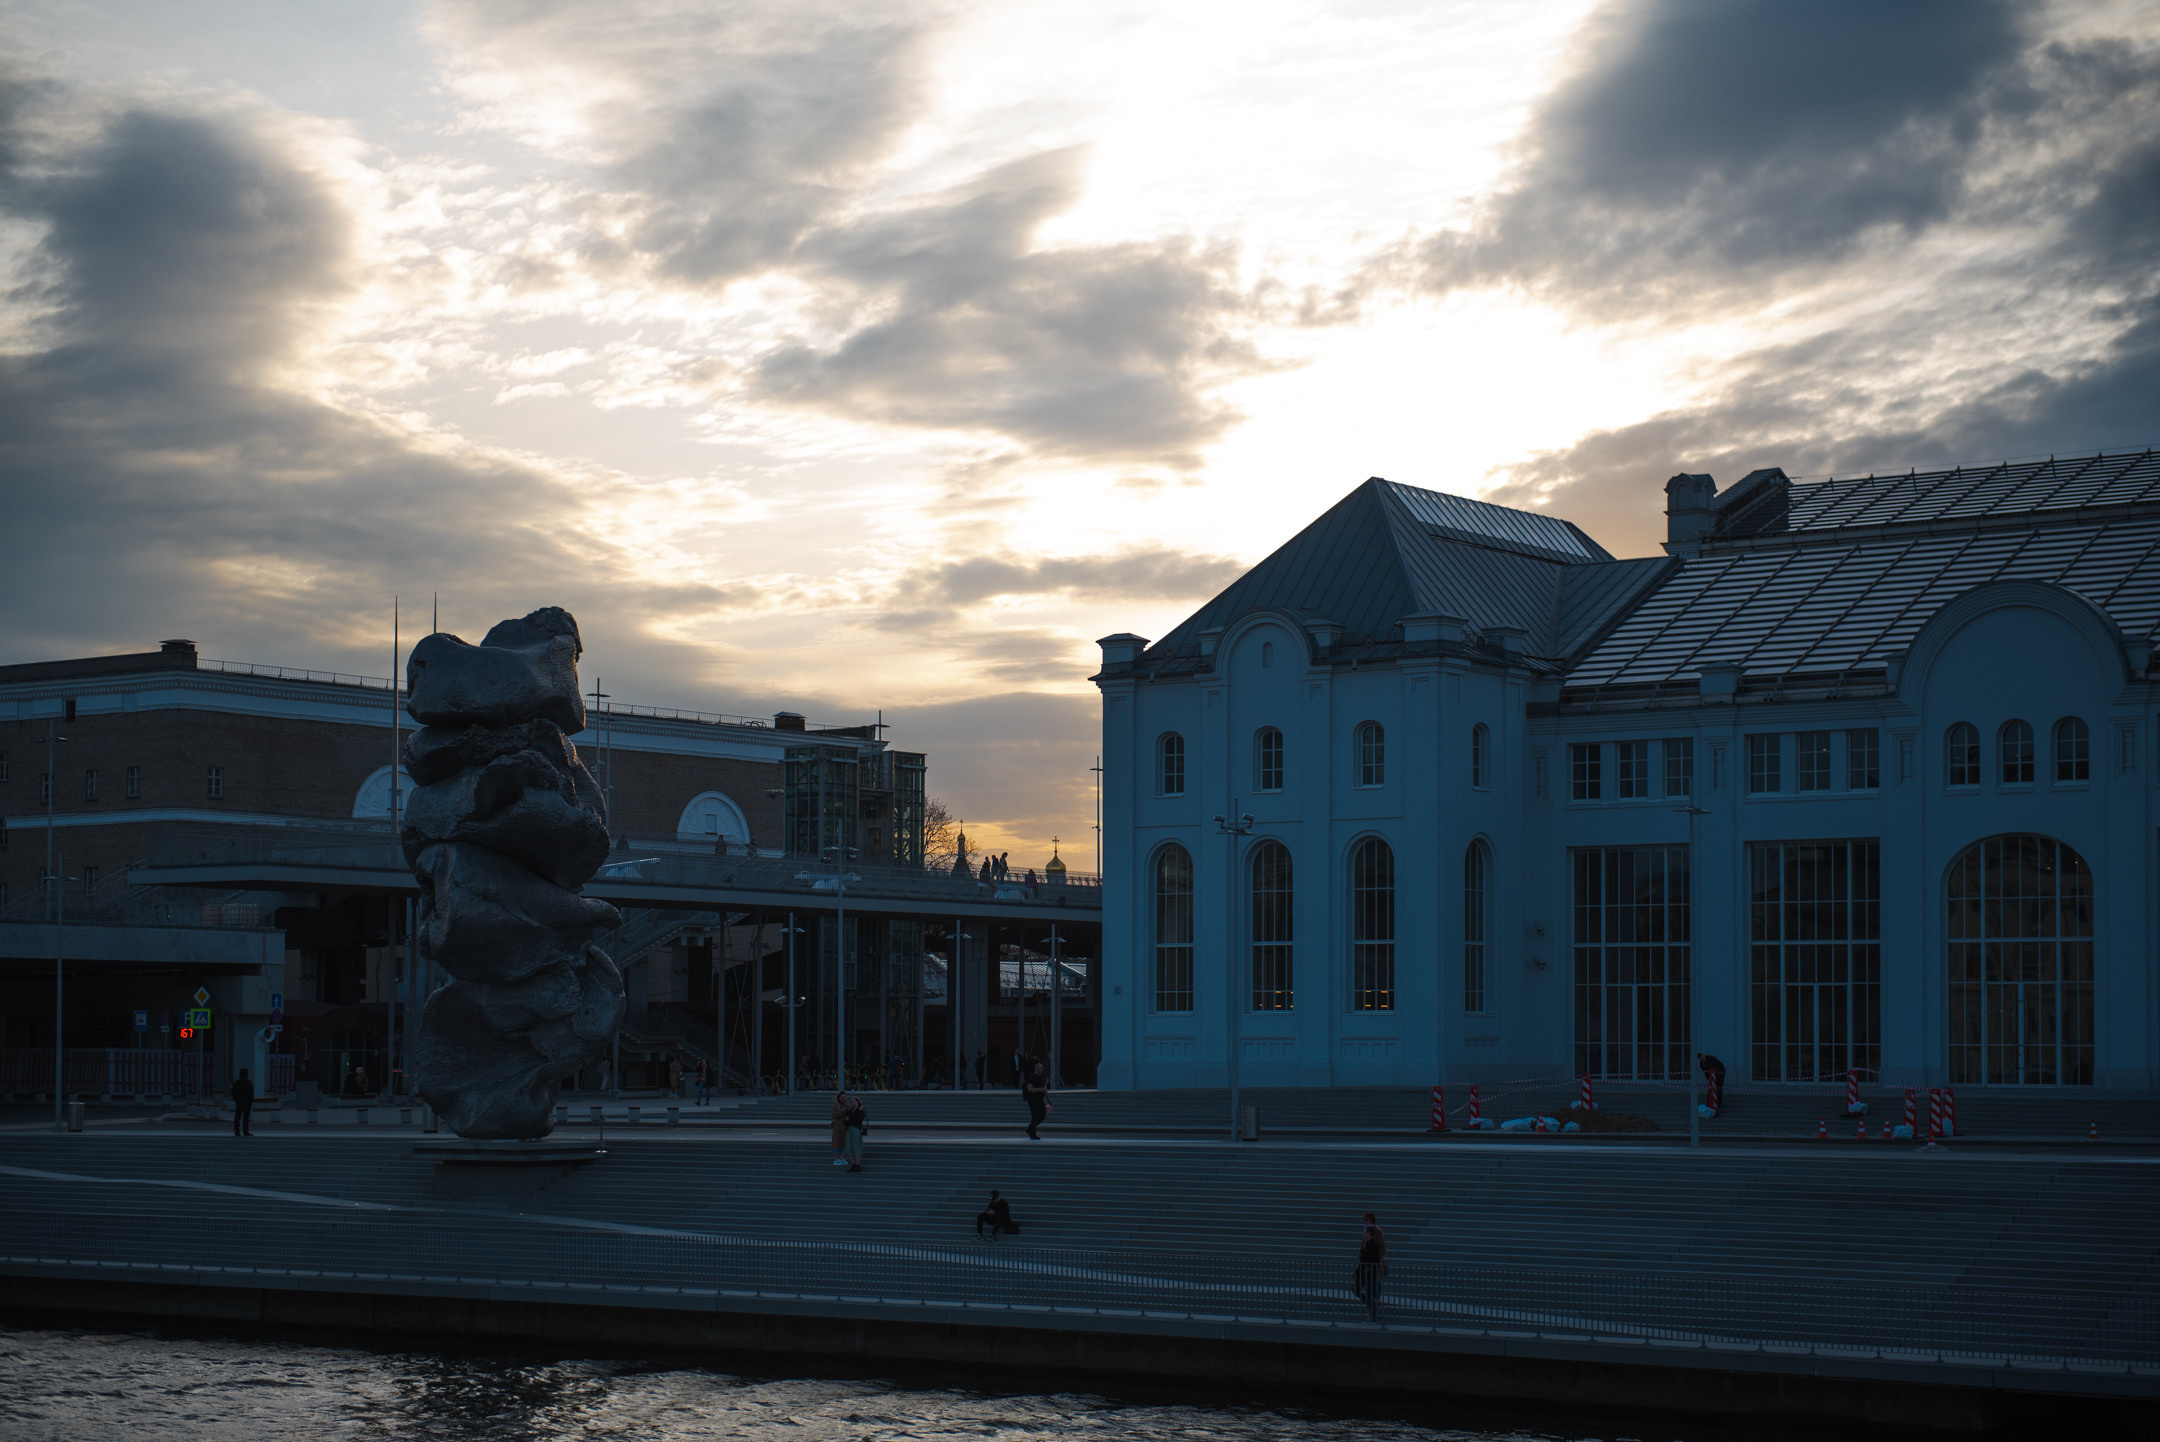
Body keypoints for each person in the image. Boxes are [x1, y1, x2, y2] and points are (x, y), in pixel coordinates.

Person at [1354, 1212, 1387, 1321]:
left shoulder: (1376, 1230)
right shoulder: (1367, 1230)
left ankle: (1373, 1309)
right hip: (1367, 1265)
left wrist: (1378, 1260)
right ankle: (1372, 1306)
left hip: (1373, 1264)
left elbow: (1381, 1247)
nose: (1365, 1222)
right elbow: (1364, 1244)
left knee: (1373, 1286)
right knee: (1362, 1288)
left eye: (1367, 1220)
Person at [842, 1092, 867, 1172]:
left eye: (853, 1101)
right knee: (849, 1146)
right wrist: (846, 1119)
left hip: (856, 1128)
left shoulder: (860, 1110)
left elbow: (860, 1118)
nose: (852, 1103)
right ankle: (853, 1164)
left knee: (856, 1146)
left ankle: (857, 1165)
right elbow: (845, 1119)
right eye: (851, 1101)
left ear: (857, 1102)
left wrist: (850, 1118)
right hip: (849, 1129)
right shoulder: (850, 1110)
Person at [1024, 1062, 1049, 1140]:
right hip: (1033, 1100)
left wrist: (1048, 1099)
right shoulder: (1031, 1077)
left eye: (1042, 1068)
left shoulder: (1042, 1077)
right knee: (1035, 1116)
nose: (1042, 1070)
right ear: (1036, 1068)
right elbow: (1029, 1088)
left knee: (1042, 1116)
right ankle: (1033, 1133)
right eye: (1040, 1068)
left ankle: (1030, 1128)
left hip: (1040, 1100)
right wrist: (1039, 1089)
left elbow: (1044, 1089)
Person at [830, 1089, 853, 1167]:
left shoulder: (847, 1106)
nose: (844, 1099)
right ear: (839, 1098)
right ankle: (836, 1158)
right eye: (843, 1097)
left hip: (845, 1127)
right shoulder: (836, 1105)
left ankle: (842, 1158)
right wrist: (842, 1111)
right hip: (837, 1126)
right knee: (836, 1142)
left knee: (843, 1142)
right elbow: (835, 1115)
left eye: (845, 1097)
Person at [230, 1068, 255, 1138]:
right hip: (246, 1102)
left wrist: (236, 1100)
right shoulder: (248, 1083)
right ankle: (245, 1131)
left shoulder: (236, 1083)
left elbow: (233, 1093)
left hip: (239, 1102)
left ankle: (237, 1131)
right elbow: (251, 1093)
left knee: (237, 1117)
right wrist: (250, 1102)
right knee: (245, 1118)